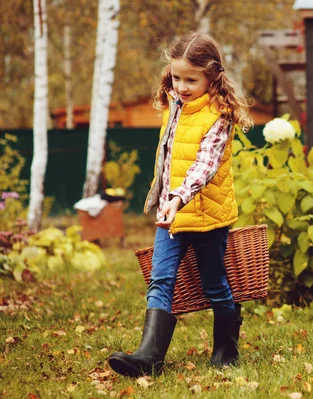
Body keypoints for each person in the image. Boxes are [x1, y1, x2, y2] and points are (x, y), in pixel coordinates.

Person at [108, 31, 252, 378]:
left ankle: (226, 347)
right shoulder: (174, 105)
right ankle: (149, 356)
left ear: (212, 76)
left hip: (206, 215)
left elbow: (204, 165)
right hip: (171, 214)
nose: (182, 86)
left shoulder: (220, 116)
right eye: (176, 77)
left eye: (192, 79)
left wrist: (177, 198)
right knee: (160, 279)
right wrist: (165, 199)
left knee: (213, 282)